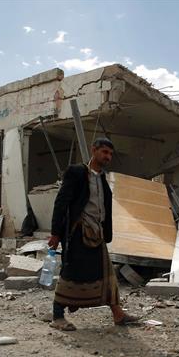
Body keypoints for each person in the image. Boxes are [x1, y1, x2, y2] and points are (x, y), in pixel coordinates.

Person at [48, 138, 139, 331]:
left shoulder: (103, 180)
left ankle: (118, 314)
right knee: (71, 272)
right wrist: (56, 233)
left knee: (107, 275)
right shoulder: (77, 172)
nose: (108, 157)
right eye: (105, 152)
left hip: (97, 234)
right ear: (94, 150)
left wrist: (107, 233)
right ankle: (57, 316)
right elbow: (61, 202)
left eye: (110, 154)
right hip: (78, 233)